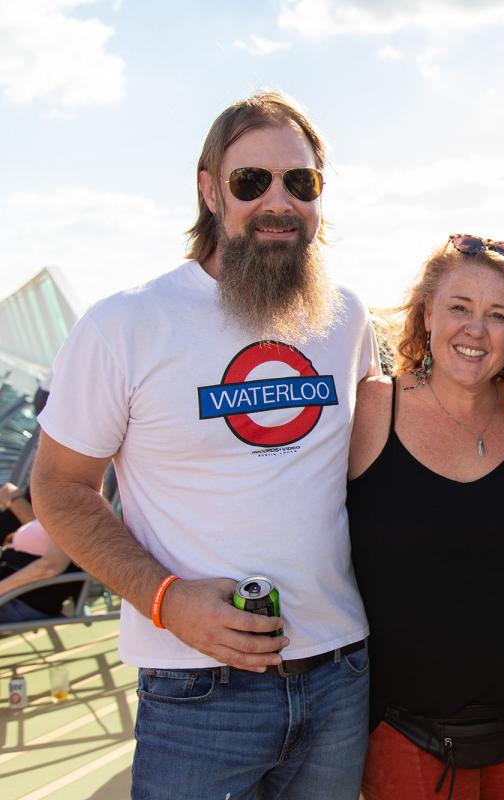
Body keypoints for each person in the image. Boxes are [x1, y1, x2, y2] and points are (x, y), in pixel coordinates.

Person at [31, 91, 377, 799]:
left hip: (340, 674)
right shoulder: (124, 324)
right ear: (210, 190)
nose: (278, 201)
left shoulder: (347, 318)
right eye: (251, 181)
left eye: (300, 181)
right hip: (197, 689)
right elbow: (60, 488)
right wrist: (166, 600)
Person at [348, 235, 504, 800]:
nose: (475, 330)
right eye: (459, 307)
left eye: (498, 315)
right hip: (402, 728)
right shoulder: (373, 407)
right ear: (427, 314)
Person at [0, 519, 79, 625]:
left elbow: (50, 567)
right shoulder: (58, 516)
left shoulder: (69, 520)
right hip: (13, 596)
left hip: (20, 600)